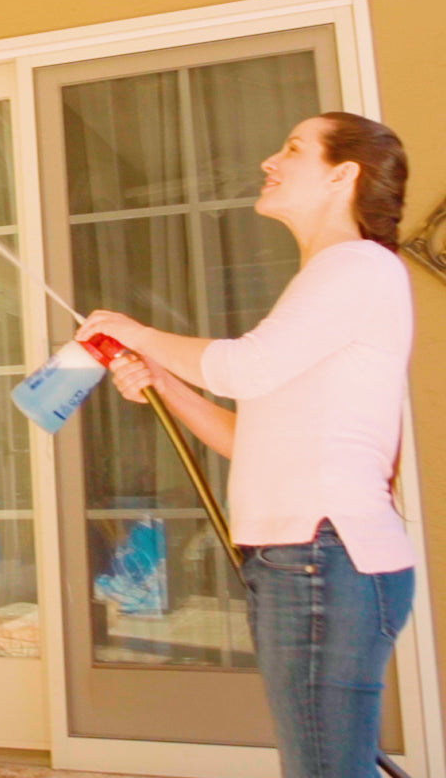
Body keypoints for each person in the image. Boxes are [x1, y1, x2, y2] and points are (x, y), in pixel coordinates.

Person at [75, 112, 416, 778]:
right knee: (328, 763)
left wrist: (134, 331)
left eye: (292, 148)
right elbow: (246, 435)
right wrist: (165, 384)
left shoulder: (356, 266)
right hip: (307, 559)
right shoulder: (331, 278)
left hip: (323, 556)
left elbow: (244, 368)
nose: (270, 160)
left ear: (342, 175)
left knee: (323, 768)